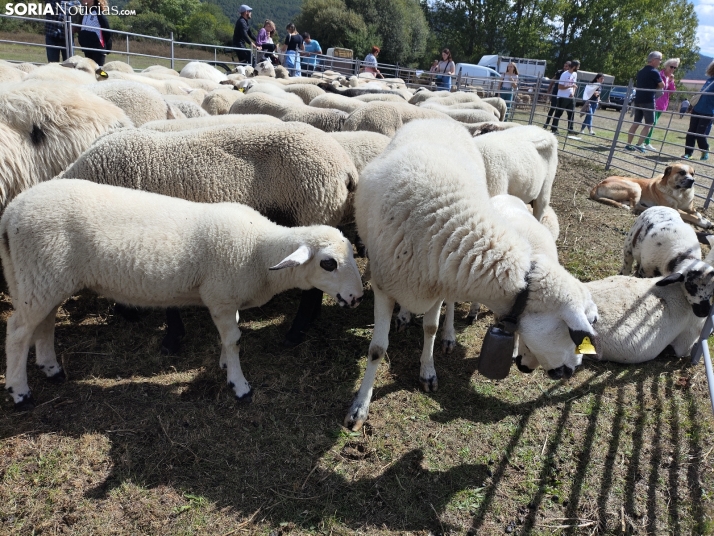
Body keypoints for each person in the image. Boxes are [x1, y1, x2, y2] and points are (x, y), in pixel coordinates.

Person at [624, 51, 664, 153]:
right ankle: (639, 145)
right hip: (648, 100)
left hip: (638, 99)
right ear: (654, 60)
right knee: (649, 123)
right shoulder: (654, 72)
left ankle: (628, 145)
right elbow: (662, 85)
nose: (660, 62)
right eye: (659, 59)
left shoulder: (641, 71)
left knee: (636, 122)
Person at [643, 57, 680, 151]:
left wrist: (672, 82)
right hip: (655, 101)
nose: (672, 69)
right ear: (666, 66)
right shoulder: (660, 74)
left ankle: (646, 142)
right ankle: (645, 142)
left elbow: (672, 91)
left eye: (675, 68)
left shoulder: (669, 78)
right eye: (671, 67)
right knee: (651, 122)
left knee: (653, 123)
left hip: (663, 103)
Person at [682, 61, 714, 161]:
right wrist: (691, 106)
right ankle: (688, 153)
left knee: (700, 134)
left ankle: (705, 149)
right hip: (697, 109)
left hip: (708, 111)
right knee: (691, 132)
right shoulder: (709, 80)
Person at [76, 0, 111, 66]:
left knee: (99, 72)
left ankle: (104, 76)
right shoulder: (84, 13)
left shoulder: (98, 13)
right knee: (89, 71)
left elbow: (107, 31)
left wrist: (105, 47)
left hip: (97, 49)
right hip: (87, 48)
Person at [551, 59, 580, 137]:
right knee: (559, 113)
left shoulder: (575, 74)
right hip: (562, 96)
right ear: (574, 66)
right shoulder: (564, 74)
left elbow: (574, 84)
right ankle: (554, 128)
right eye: (578, 66)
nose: (578, 68)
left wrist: (573, 93)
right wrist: (570, 86)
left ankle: (570, 129)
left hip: (570, 97)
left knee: (571, 113)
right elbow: (560, 86)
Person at [543, 60, 571, 129]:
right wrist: (548, 91)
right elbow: (552, 81)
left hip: (563, 94)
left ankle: (554, 126)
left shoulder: (570, 74)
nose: (565, 67)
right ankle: (546, 123)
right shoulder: (559, 72)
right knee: (552, 108)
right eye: (564, 66)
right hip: (556, 92)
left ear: (569, 67)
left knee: (558, 110)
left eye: (566, 66)